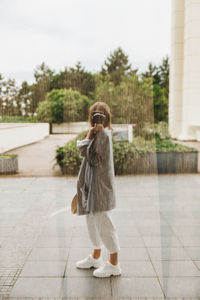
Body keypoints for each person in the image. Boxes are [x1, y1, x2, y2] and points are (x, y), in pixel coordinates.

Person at [75, 101, 121, 278]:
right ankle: (96, 256)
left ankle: (114, 264)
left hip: (100, 188)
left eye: (99, 115)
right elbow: (86, 153)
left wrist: (92, 133)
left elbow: (87, 154)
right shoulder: (97, 134)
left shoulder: (104, 135)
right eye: (95, 115)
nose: (97, 119)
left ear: (105, 117)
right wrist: (92, 132)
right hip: (90, 187)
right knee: (92, 221)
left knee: (104, 223)